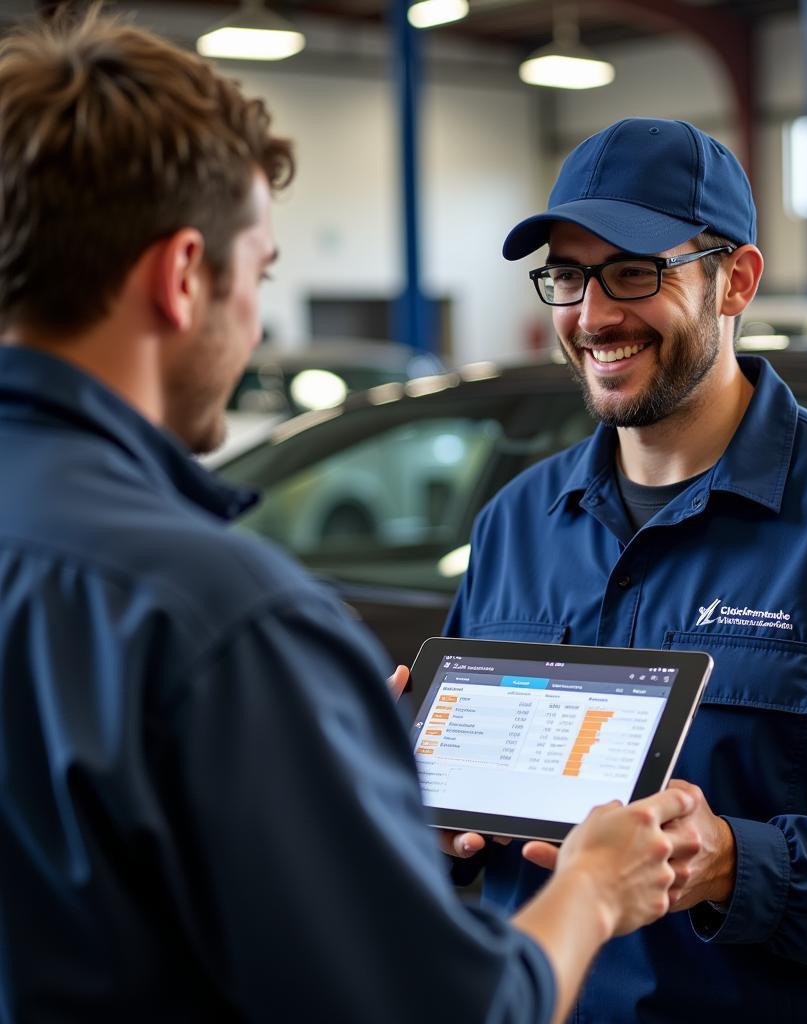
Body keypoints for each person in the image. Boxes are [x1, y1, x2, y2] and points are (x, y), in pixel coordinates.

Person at [0, 16, 690, 1022]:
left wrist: (332, 789)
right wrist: (591, 886)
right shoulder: (221, 622)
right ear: (184, 274)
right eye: (263, 275)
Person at [443, 116, 807, 1022]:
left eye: (634, 272)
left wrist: (732, 863)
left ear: (736, 280)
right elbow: (480, 841)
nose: (592, 315)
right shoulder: (518, 523)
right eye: (566, 275)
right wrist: (427, 823)